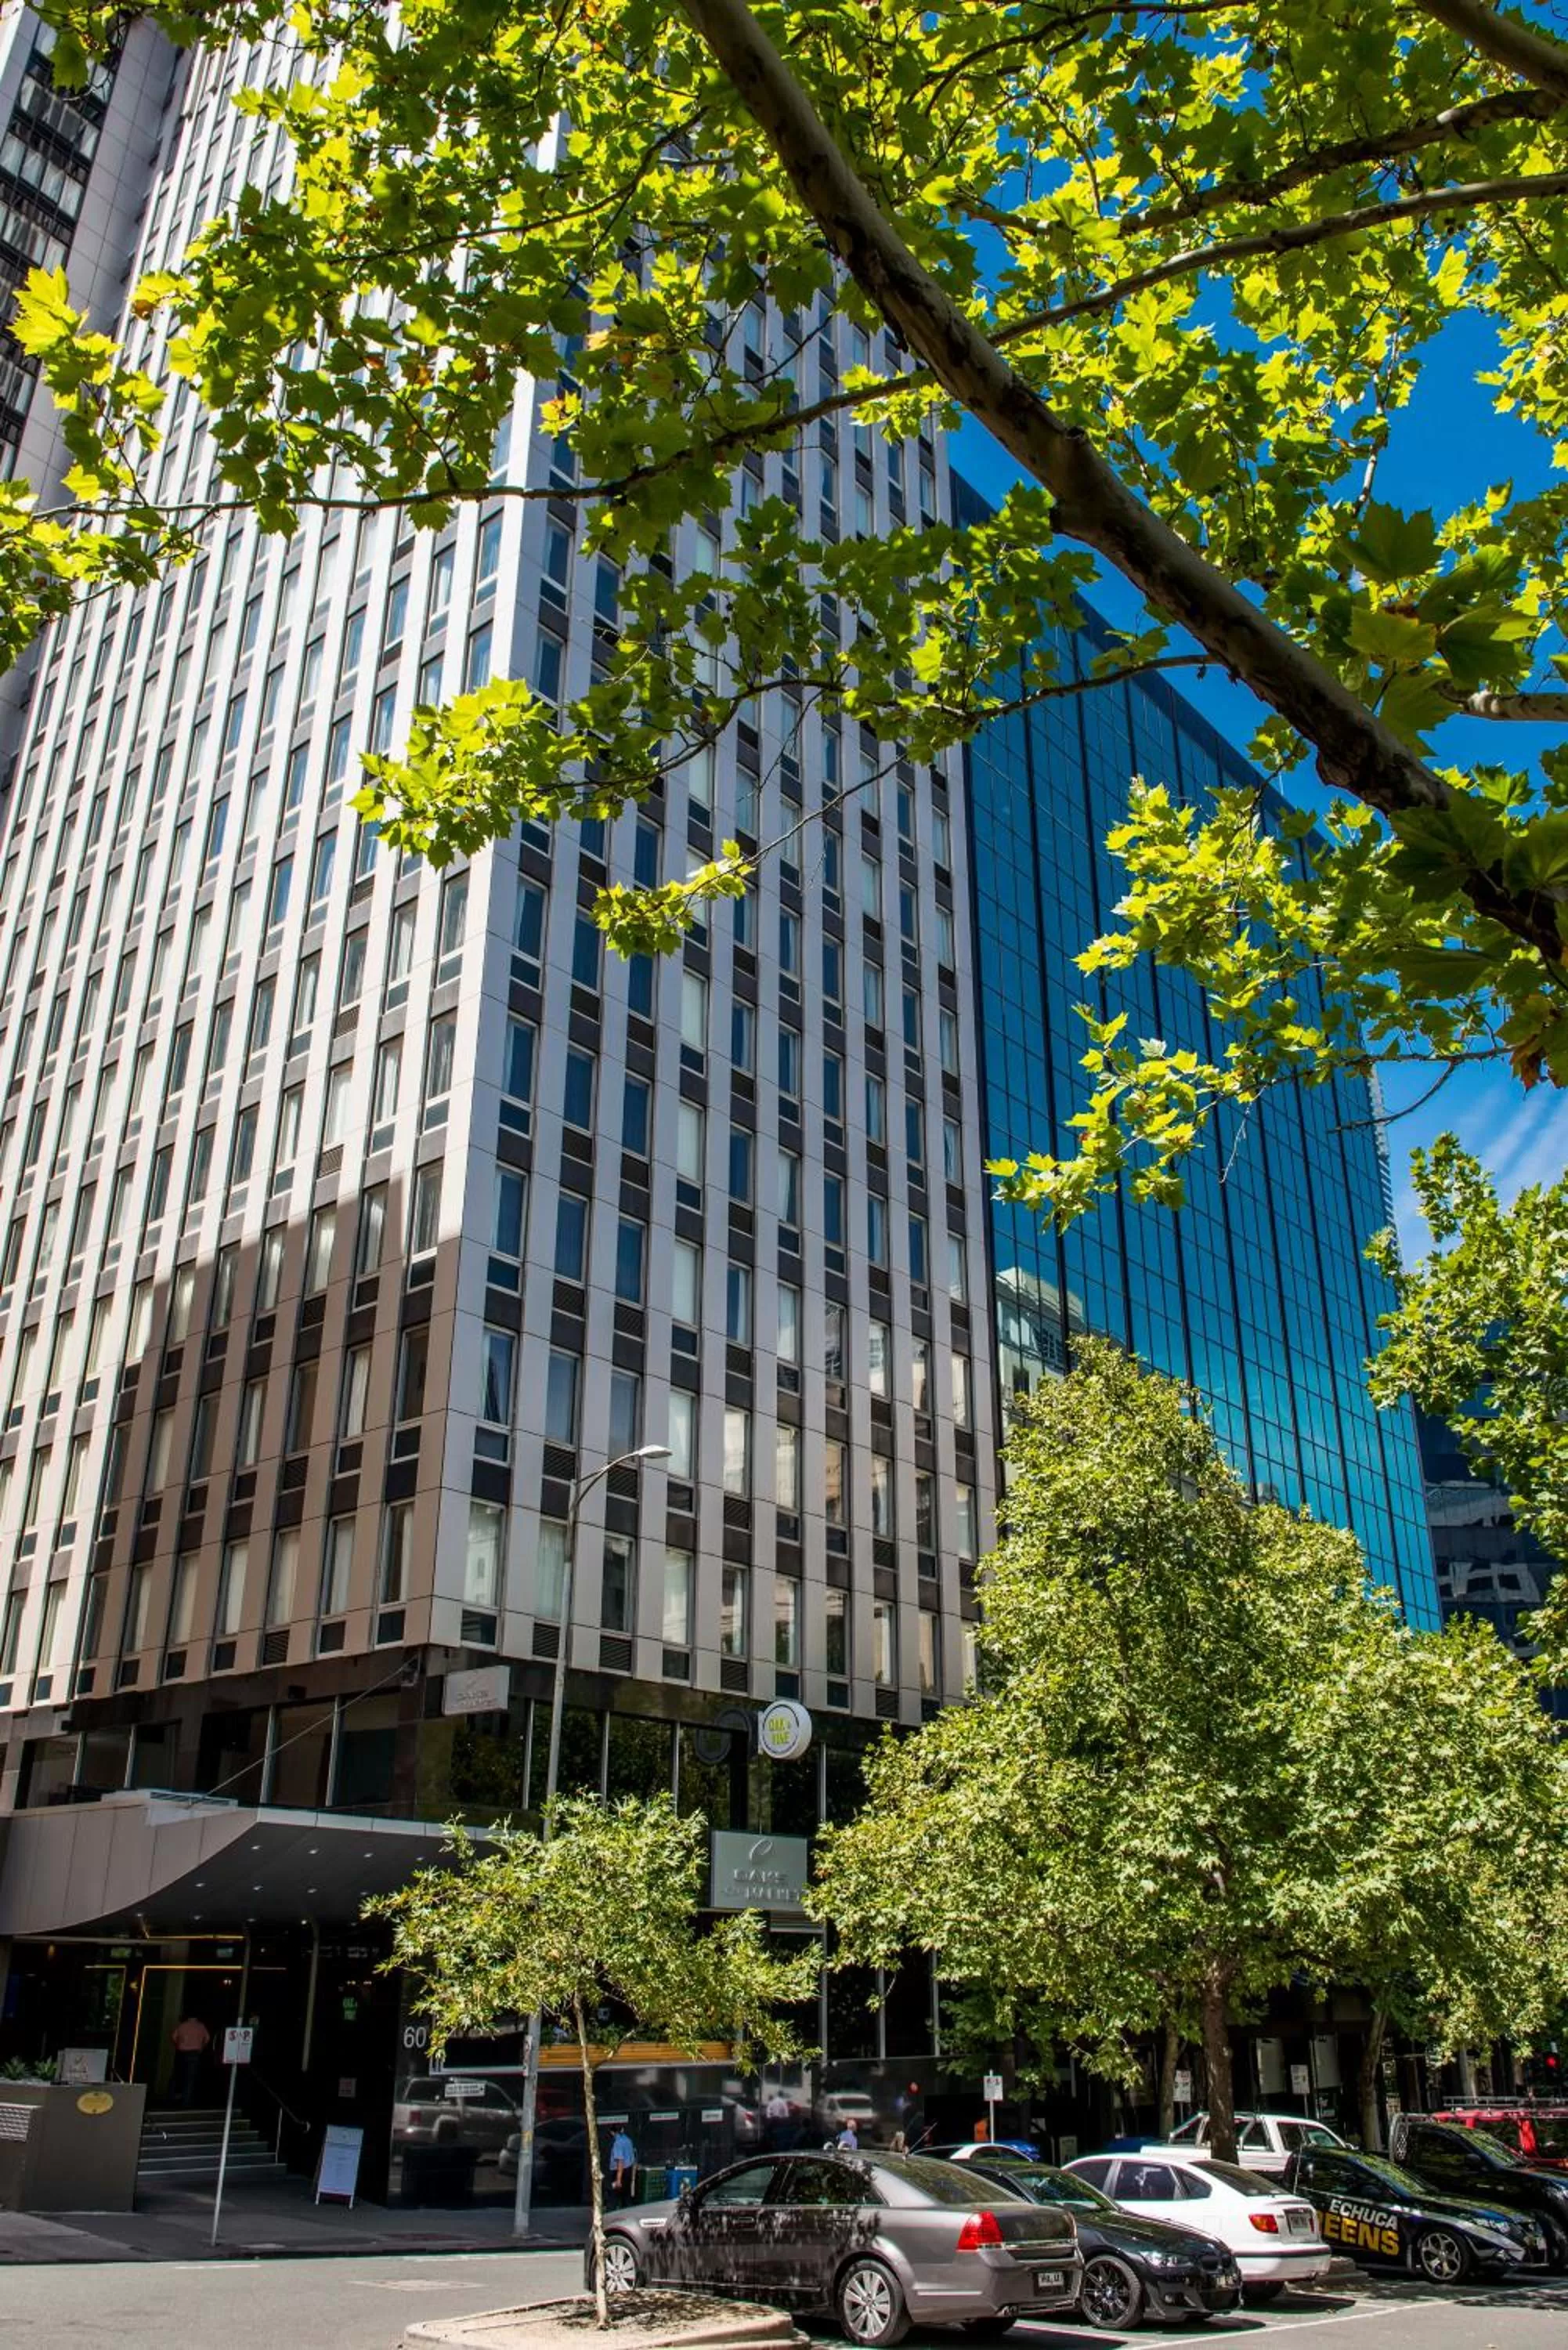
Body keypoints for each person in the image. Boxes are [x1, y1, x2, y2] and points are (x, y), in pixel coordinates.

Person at [170, 2012, 211, 2107]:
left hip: (182, 2053)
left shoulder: (182, 2026)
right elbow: (208, 2038)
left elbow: (173, 2037)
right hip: (195, 2053)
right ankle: (186, 2100)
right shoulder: (201, 2026)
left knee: (178, 2075)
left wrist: (178, 2045)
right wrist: (202, 2047)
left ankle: (173, 2097)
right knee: (190, 2078)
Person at [609, 2124, 636, 2209]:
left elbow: (620, 2161)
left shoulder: (618, 2143)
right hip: (628, 2170)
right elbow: (633, 2158)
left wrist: (618, 2180)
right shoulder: (628, 2140)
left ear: (612, 2133)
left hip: (619, 2172)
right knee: (626, 2196)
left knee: (614, 2197)